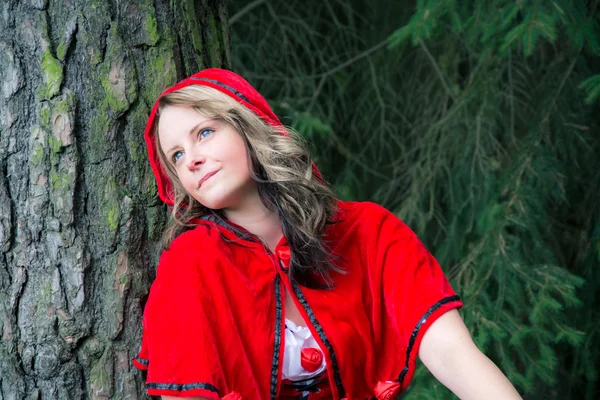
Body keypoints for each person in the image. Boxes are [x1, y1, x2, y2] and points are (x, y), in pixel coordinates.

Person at [132, 68, 521, 400]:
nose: (193, 159)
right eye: (177, 156)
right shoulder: (190, 264)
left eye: (204, 133)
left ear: (247, 126)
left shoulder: (368, 232)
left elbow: (451, 351)